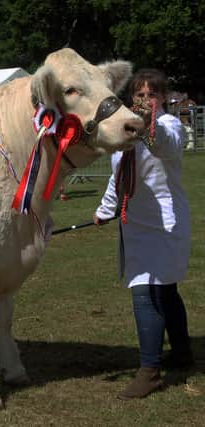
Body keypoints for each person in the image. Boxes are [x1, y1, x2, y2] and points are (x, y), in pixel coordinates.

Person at [94, 69, 193, 400]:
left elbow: (166, 147)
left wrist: (149, 124)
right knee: (166, 291)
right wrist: (106, 209)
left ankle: (149, 371)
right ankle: (181, 353)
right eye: (138, 94)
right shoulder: (126, 131)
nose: (144, 100)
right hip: (135, 223)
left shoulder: (168, 126)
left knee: (146, 291)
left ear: (162, 98)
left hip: (165, 224)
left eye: (151, 94)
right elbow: (120, 173)